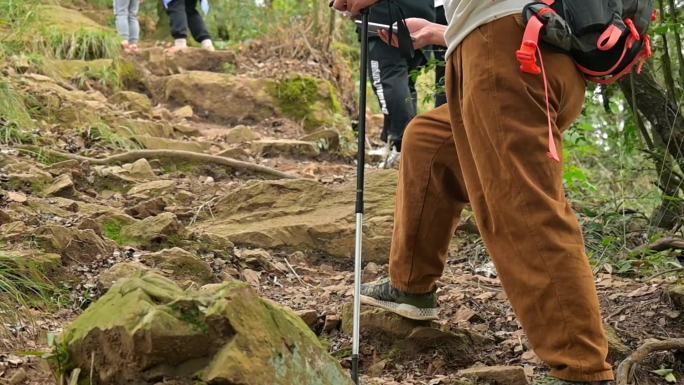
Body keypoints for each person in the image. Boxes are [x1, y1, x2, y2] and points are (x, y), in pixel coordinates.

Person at [333, 0, 615, 384]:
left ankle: (580, 369)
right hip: (524, 45)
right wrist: (441, 32)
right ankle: (410, 287)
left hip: (507, 49)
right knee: (429, 143)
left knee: (523, 207)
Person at [364, 0, 435, 169]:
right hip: (421, 16)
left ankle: (404, 147)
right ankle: (404, 145)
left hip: (385, 19)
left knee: (388, 81)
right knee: (405, 86)